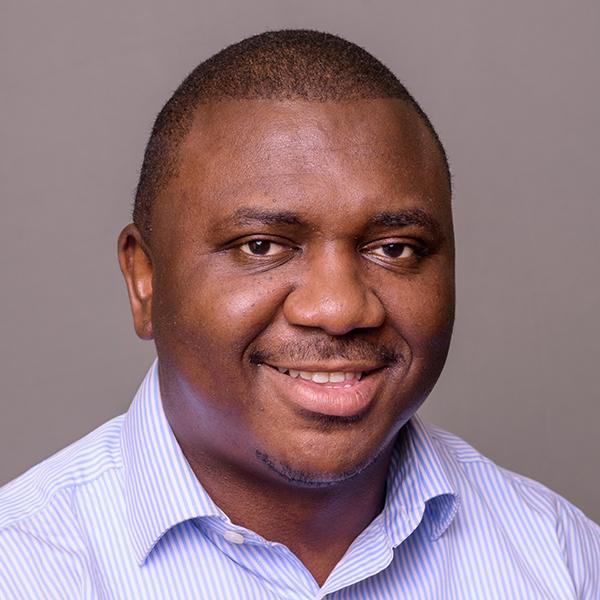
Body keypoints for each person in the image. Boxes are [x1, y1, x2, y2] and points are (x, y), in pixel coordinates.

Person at [0, 29, 598, 599]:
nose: (339, 309)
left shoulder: (559, 557)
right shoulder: (20, 567)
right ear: (145, 279)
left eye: (395, 249)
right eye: (261, 246)